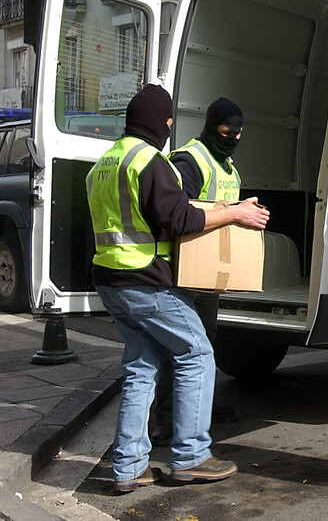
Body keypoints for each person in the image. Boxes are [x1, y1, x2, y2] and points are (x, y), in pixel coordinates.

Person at [86, 84, 270, 492]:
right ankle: (191, 456)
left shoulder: (105, 161)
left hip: (111, 280)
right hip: (146, 282)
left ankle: (130, 466)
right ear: (162, 122)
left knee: (142, 367)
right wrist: (235, 214)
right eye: (169, 121)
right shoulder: (147, 161)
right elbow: (180, 219)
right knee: (198, 353)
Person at [149, 98, 246, 444]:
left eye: (238, 133)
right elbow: (179, 210)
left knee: (205, 342)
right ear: (210, 126)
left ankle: (198, 407)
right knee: (181, 348)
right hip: (185, 271)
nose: (232, 138)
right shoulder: (190, 159)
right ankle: (165, 419)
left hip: (210, 272)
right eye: (225, 132)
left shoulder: (228, 166)